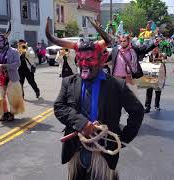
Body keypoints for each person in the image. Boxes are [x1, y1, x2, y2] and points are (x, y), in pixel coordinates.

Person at [46, 17, 144, 180]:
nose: (84, 64)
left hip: (104, 153)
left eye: (89, 59)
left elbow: (137, 111)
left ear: (103, 59)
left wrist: (123, 139)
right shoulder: (69, 82)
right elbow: (59, 107)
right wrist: (82, 124)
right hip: (75, 150)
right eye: (80, 59)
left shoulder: (116, 86)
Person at [0, 23, 25, 122]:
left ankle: (11, 114)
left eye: (0, 40)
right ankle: (3, 113)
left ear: (5, 40)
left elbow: (18, 63)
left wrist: (6, 66)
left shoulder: (14, 51)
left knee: (12, 97)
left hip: (11, 77)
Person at [144, 47, 164, 113]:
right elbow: (145, 64)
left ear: (158, 49)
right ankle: (147, 106)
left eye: (156, 49)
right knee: (149, 91)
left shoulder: (161, 55)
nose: (154, 50)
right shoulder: (148, 56)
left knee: (158, 91)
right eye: (153, 49)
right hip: (150, 76)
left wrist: (161, 59)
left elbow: (164, 63)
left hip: (159, 76)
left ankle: (157, 105)